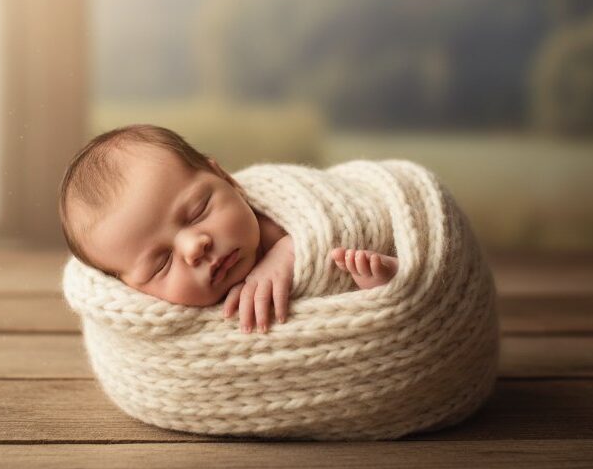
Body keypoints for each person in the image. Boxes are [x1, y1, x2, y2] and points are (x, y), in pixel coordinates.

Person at [58, 124, 399, 334]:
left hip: (371, 236)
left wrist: (285, 254)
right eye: (161, 263)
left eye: (197, 212)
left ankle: (393, 280)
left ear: (225, 178)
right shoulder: (164, 318)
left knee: (366, 263)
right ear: (131, 288)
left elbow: (331, 226)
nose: (194, 247)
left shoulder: (270, 222)